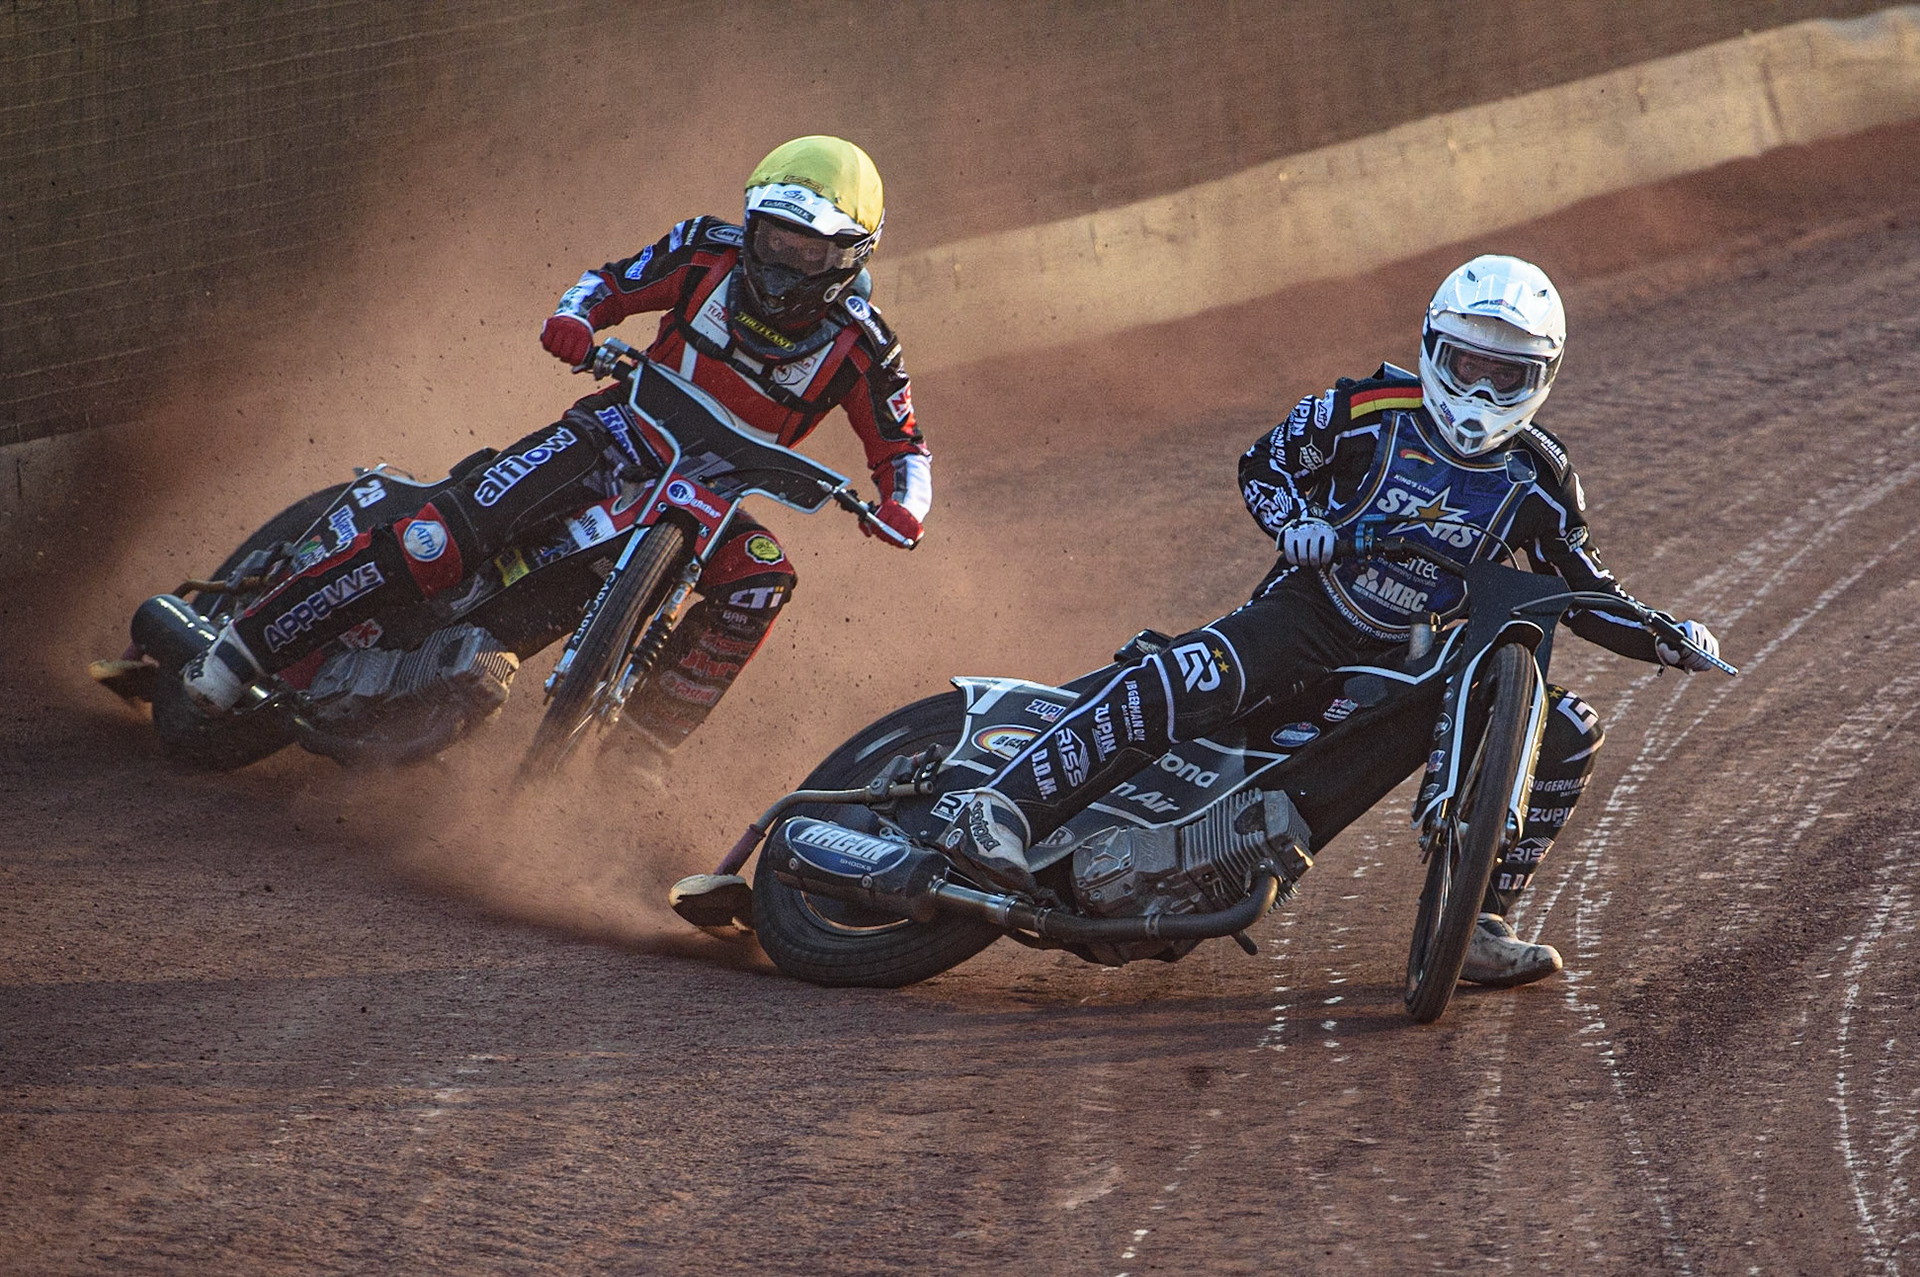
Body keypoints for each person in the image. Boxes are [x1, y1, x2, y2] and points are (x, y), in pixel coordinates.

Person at [940, 254, 1721, 988]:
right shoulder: (1366, 408)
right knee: (1195, 671)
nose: (1478, 393)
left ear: (1540, 380)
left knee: (1571, 728)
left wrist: (1664, 634)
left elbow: (1581, 586)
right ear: (1431, 348)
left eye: (1504, 375)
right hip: (1310, 610)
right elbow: (1263, 463)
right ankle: (1000, 807)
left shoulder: (1543, 483)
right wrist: (1298, 522)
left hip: (1412, 660)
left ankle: (1479, 920)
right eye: (1464, 366)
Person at [182, 136, 929, 766]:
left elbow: (906, 449)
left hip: (708, 501)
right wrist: (576, 319)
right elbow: (609, 284)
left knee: (762, 579)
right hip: (612, 435)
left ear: (849, 255)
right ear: (750, 225)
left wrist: (903, 504)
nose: (779, 264)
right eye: (772, 239)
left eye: (805, 252)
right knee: (438, 540)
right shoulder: (707, 251)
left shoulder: (866, 348)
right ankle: (242, 648)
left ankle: (637, 757)